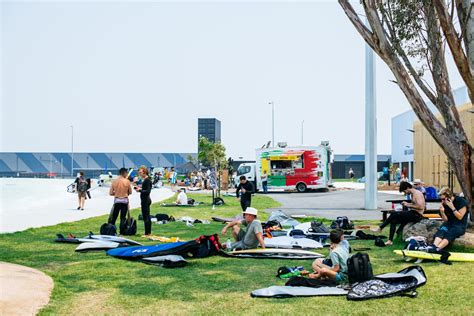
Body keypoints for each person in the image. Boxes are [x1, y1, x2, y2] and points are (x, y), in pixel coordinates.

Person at [134, 166, 152, 236]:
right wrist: (139, 189)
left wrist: (140, 190)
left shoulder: (147, 180)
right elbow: (144, 189)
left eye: (141, 172)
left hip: (146, 200)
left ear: (144, 172)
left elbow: (147, 191)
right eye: (139, 172)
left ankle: (147, 233)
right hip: (144, 199)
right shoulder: (145, 180)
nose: (140, 174)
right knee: (145, 217)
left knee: (146, 217)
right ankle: (147, 232)